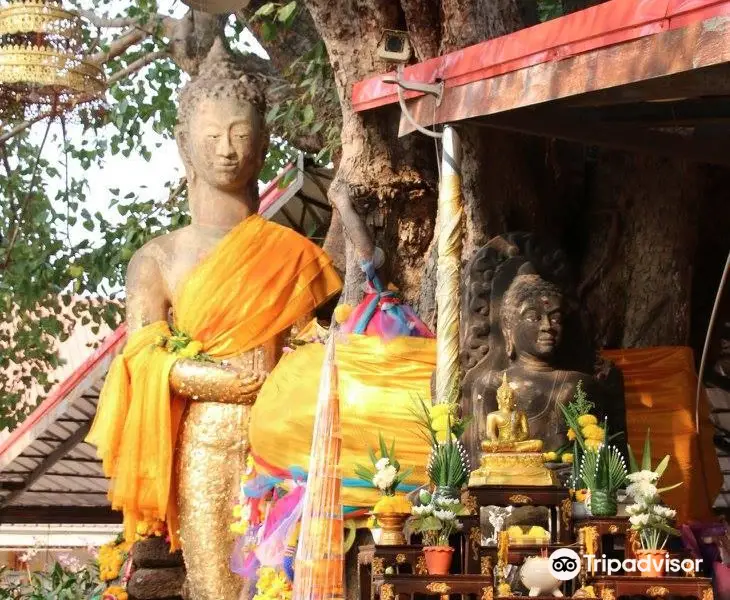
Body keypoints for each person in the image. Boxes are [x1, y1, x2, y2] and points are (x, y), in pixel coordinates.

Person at [87, 40, 341, 600]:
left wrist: (309, 356)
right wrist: (218, 381)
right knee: (216, 584)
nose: (227, 150)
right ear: (184, 145)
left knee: (285, 576)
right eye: (211, 137)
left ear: (265, 143)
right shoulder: (159, 258)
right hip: (205, 439)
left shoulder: (293, 254)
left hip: (284, 435)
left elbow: (313, 342)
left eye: (241, 135)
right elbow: (142, 358)